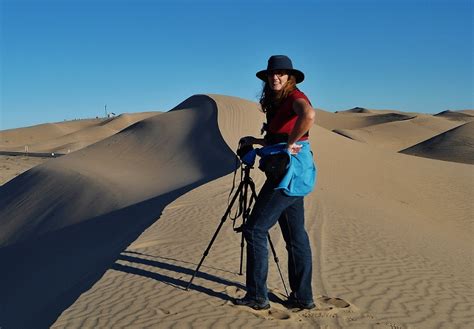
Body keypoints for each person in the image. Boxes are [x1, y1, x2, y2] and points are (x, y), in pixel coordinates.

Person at [233, 55, 317, 311]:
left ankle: (257, 296)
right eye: (272, 74)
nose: (275, 77)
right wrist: (258, 142)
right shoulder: (277, 102)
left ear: (290, 77)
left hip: (288, 173)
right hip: (293, 173)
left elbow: (309, 116)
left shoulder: (295, 97)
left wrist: (292, 142)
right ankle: (303, 297)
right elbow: (278, 137)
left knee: (255, 229)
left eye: (281, 73)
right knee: (295, 236)